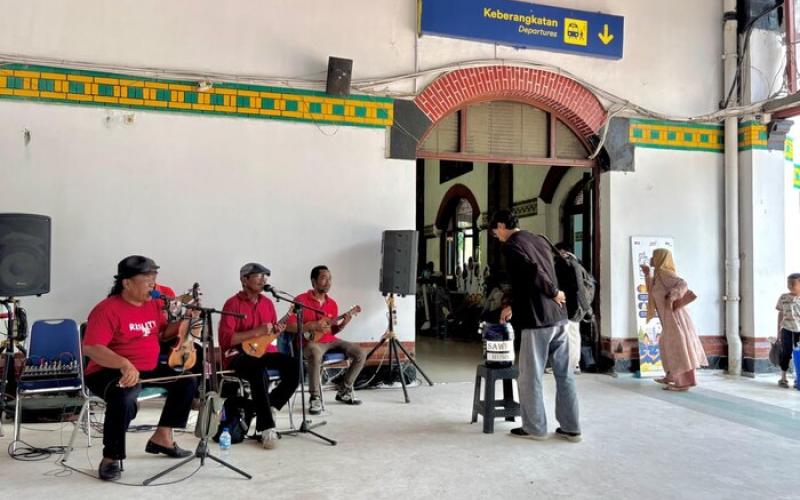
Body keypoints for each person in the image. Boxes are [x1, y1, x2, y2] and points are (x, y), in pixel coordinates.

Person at [83, 256, 198, 481]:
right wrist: (124, 364)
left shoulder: (153, 305)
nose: (153, 285)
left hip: (146, 367)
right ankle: (111, 457)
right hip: (106, 370)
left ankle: (162, 437)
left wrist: (185, 320)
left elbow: (162, 334)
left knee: (187, 380)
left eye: (154, 279)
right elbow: (91, 348)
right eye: (147, 279)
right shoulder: (107, 309)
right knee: (124, 394)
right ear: (126, 283)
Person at [490, 210, 581, 442]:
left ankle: (535, 428)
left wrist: (552, 292)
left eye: (495, 230)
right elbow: (535, 276)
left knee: (530, 377)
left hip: (537, 318)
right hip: (559, 317)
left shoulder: (511, 246)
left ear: (501, 226)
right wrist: (512, 302)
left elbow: (532, 272)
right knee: (565, 374)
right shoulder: (539, 239)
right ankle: (572, 428)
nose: (495, 235)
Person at [218, 263, 300, 449]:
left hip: (261, 351)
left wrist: (276, 330)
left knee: (295, 365)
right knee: (257, 370)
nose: (263, 280)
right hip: (237, 354)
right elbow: (226, 340)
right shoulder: (232, 303)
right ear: (244, 280)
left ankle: (271, 405)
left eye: (265, 276)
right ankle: (266, 427)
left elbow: (267, 336)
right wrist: (256, 331)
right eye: (258, 276)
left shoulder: (268, 303)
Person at [284, 265, 365, 414]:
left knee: (360, 352)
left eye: (330, 279)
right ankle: (315, 397)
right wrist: (310, 325)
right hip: (310, 343)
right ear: (313, 281)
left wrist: (342, 325)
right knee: (315, 352)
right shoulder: (300, 300)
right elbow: (288, 326)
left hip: (330, 341)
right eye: (323, 278)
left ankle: (344, 390)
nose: (328, 282)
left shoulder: (332, 304)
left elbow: (331, 330)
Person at [641, 248, 707, 391]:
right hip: (667, 318)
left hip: (675, 318)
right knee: (667, 346)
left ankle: (683, 383)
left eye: (654, 256)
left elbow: (683, 284)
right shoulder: (659, 275)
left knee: (678, 348)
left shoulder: (666, 274)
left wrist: (673, 295)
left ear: (661, 259)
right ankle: (672, 375)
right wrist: (647, 274)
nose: (652, 259)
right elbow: (652, 291)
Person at [554, 242, 582, 373]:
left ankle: (570, 365)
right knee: (574, 334)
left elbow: (557, 285)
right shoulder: (577, 263)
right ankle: (575, 364)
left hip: (567, 304)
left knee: (566, 335)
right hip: (578, 305)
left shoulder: (563, 264)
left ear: (563, 251)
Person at [775, 273, 800, 388]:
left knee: (798, 355)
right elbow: (780, 313)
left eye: (793, 284)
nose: (789, 286)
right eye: (788, 283)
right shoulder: (783, 297)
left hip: (799, 331)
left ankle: (797, 379)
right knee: (786, 353)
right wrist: (778, 331)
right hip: (787, 329)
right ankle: (783, 377)